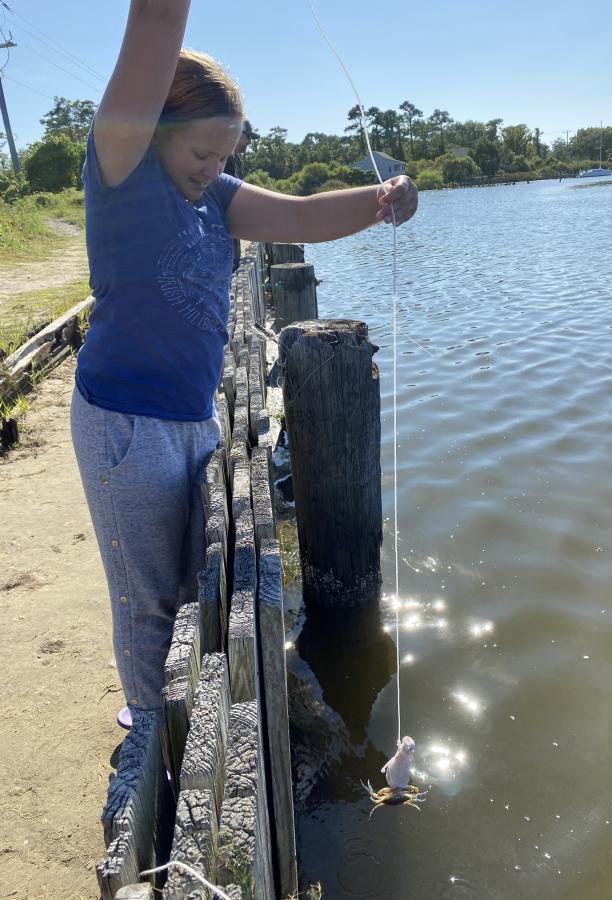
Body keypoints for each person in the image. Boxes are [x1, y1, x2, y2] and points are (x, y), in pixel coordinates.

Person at [71, 0, 418, 742]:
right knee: (148, 595)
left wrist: (379, 203)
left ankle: (183, 708)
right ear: (151, 131)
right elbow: (157, 21)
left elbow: (295, 218)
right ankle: (151, 734)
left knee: (194, 579)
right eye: (200, 152)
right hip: (126, 421)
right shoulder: (123, 172)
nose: (213, 167)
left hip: (193, 414)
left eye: (224, 155)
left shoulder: (218, 198)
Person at [224, 119, 259, 269]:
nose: (250, 142)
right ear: (237, 132)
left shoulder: (235, 158)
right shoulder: (223, 157)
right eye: (249, 136)